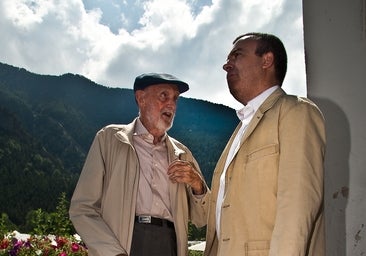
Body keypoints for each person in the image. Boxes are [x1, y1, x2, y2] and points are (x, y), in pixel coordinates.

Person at [204, 32, 326, 256]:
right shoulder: (240, 130)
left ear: (266, 60)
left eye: (236, 55)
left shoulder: (296, 112)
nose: (226, 65)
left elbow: (296, 208)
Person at [69, 72, 209, 256]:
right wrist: (112, 253)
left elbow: (202, 218)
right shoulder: (109, 139)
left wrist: (198, 185)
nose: (172, 105)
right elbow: (83, 208)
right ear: (141, 98)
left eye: (175, 99)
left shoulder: (183, 154)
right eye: (164, 96)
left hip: (170, 246)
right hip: (124, 245)